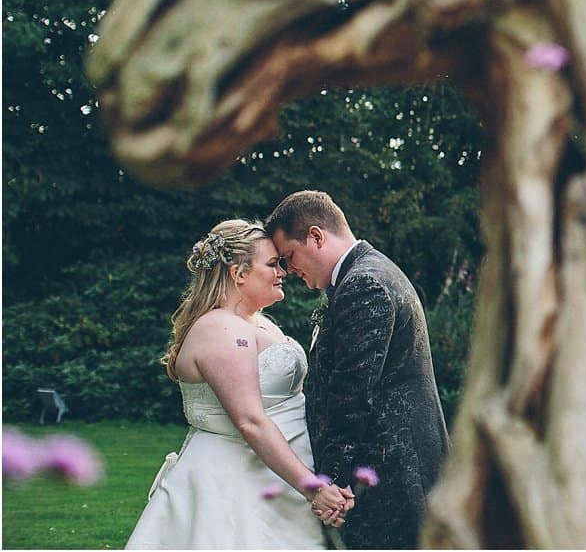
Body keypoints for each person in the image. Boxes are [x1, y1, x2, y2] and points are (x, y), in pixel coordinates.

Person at [127, 219, 352, 549]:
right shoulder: (221, 329)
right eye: (273, 264)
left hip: (272, 474)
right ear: (239, 273)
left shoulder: (257, 322)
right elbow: (250, 421)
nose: (283, 272)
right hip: (234, 482)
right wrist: (313, 486)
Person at [266, 191, 448, 549]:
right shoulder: (367, 274)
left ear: (316, 236)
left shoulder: (364, 284)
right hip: (392, 470)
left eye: (289, 257)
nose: (288, 271)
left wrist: (333, 478)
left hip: (390, 475)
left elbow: (351, 392)